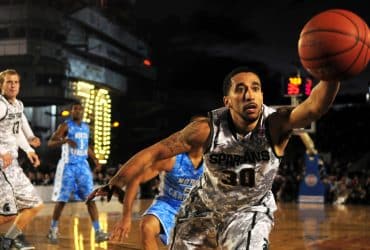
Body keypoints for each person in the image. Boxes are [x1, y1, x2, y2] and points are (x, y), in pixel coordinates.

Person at [89, 66, 340, 249]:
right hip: (202, 209)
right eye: (240, 89)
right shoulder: (206, 128)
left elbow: (314, 107)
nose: (249, 95)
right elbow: (155, 151)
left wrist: (332, 73)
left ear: (262, 96)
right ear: (227, 101)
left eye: (255, 88)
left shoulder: (276, 124)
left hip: (248, 211)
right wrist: (115, 182)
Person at [110, 116, 205, 250]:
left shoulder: (214, 160)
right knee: (147, 226)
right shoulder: (172, 158)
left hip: (197, 210)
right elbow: (135, 179)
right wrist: (126, 217)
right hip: (168, 205)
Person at [46, 101, 109, 244]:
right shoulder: (65, 126)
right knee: (61, 200)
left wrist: (95, 159)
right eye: (75, 109)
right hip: (68, 166)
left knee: (90, 199)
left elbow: (86, 147)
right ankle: (53, 229)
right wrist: (65, 140)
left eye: (80, 109)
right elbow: (50, 143)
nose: (78, 111)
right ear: (71, 111)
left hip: (83, 166)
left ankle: (98, 231)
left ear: (83, 111)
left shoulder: (86, 128)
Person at [0, 69, 43, 250]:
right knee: (9, 214)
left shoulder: (17, 105)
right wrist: (2, 151)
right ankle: (9, 240)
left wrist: (29, 149)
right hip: (2, 165)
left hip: (13, 165)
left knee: (36, 205)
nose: (13, 85)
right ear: (1, 85)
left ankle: (8, 239)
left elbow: (17, 131)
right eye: (9, 82)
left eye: (16, 82)